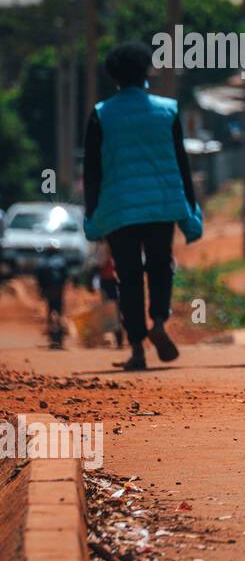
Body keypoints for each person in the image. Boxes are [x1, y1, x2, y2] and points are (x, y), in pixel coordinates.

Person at [83, 42, 203, 371]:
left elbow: (91, 170)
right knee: (160, 265)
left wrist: (91, 213)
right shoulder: (167, 110)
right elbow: (182, 164)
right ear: (145, 72)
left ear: (114, 77)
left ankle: (136, 347)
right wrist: (190, 209)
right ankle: (160, 321)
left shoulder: (102, 114)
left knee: (129, 277)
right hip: (161, 207)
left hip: (120, 209)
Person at [35, 251, 68, 349]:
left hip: (49, 291)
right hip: (58, 290)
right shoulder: (60, 261)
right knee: (59, 313)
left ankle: (53, 337)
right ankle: (59, 338)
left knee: (50, 312)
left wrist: (41, 290)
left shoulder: (43, 262)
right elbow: (65, 276)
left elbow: (39, 277)